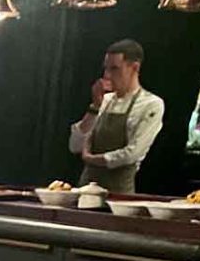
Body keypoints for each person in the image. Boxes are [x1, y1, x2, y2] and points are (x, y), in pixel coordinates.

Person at [69, 39, 165, 194]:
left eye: (114, 69)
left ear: (134, 67)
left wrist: (92, 159)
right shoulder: (104, 101)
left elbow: (132, 154)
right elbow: (75, 145)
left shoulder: (151, 104)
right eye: (106, 69)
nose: (107, 75)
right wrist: (94, 107)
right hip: (86, 190)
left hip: (119, 194)